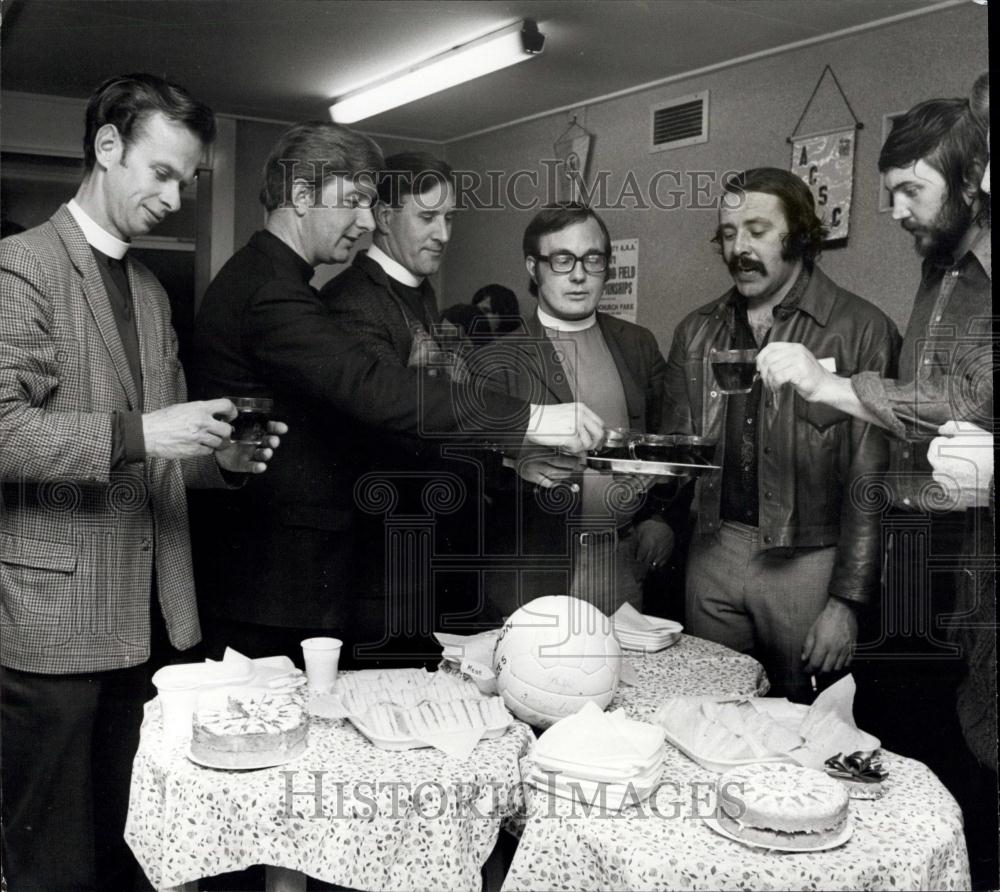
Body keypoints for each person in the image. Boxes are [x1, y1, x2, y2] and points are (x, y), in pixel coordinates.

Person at [0, 73, 283, 892]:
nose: (176, 196)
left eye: (188, 181)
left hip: (152, 622)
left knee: (138, 854)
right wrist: (143, 433)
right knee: (54, 862)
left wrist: (216, 461)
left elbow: (158, 448)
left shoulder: (153, 291)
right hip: (53, 626)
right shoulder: (20, 268)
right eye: (162, 172)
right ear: (108, 146)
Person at [190, 134, 604, 668]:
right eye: (354, 202)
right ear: (299, 195)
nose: (364, 222)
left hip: (300, 577)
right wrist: (531, 418)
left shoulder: (281, 280)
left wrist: (510, 459)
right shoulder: (272, 288)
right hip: (279, 582)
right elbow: (371, 387)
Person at [760, 84, 995, 890]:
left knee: (969, 781)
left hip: (974, 570)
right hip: (919, 553)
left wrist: (835, 388)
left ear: (971, 183)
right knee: (896, 758)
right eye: (887, 191)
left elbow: (968, 402)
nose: (895, 209)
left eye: (910, 191)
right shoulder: (941, 267)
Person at [661, 167, 899, 702]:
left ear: (798, 235)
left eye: (757, 230)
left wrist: (846, 601)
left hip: (809, 561)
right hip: (713, 553)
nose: (739, 247)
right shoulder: (695, 330)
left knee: (806, 720)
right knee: (710, 713)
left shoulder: (864, 329)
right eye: (727, 233)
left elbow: (871, 479)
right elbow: (679, 454)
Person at [478, 203, 674, 616]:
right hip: (535, 565)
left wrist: (658, 515)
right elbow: (471, 464)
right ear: (534, 268)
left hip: (620, 558)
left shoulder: (638, 344)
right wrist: (517, 467)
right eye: (562, 260)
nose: (580, 274)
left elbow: (666, 439)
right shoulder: (498, 359)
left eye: (593, 259)